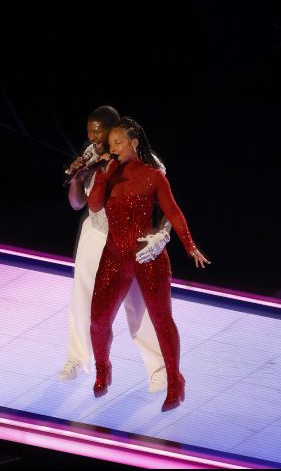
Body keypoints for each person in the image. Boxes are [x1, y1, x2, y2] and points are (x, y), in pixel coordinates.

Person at [88, 117, 210, 412]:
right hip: (114, 256)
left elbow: (175, 213)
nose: (113, 148)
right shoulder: (110, 174)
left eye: (119, 143)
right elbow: (93, 206)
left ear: (134, 143)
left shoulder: (154, 176)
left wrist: (190, 246)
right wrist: (102, 176)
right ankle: (103, 369)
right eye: (111, 143)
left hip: (148, 257)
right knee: (98, 320)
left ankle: (174, 381)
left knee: (161, 321)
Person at [60, 106, 172, 394]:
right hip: (96, 234)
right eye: (90, 136)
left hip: (130, 240)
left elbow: (168, 207)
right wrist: (76, 176)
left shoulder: (147, 162)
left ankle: (159, 370)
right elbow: (76, 204)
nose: (94, 141)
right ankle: (78, 359)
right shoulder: (92, 155)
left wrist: (161, 235)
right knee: (82, 300)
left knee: (138, 306)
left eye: (99, 135)